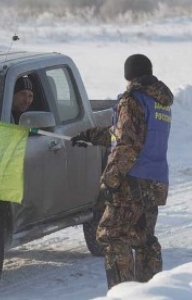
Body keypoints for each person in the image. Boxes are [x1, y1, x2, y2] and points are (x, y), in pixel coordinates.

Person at [71, 54, 173, 289]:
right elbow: (129, 133)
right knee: (144, 239)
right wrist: (90, 136)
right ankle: (153, 292)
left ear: (128, 75)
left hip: (132, 180)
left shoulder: (133, 100)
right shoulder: (160, 101)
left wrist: (110, 179)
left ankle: (123, 293)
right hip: (154, 181)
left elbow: (128, 143)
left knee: (113, 236)